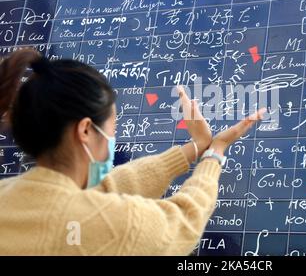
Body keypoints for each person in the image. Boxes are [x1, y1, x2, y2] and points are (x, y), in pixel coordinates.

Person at [0, 48, 266, 255]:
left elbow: (105, 190)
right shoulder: (112, 224)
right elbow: (185, 221)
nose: (113, 139)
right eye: (112, 127)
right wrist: (215, 153)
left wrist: (193, 149)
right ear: (85, 131)